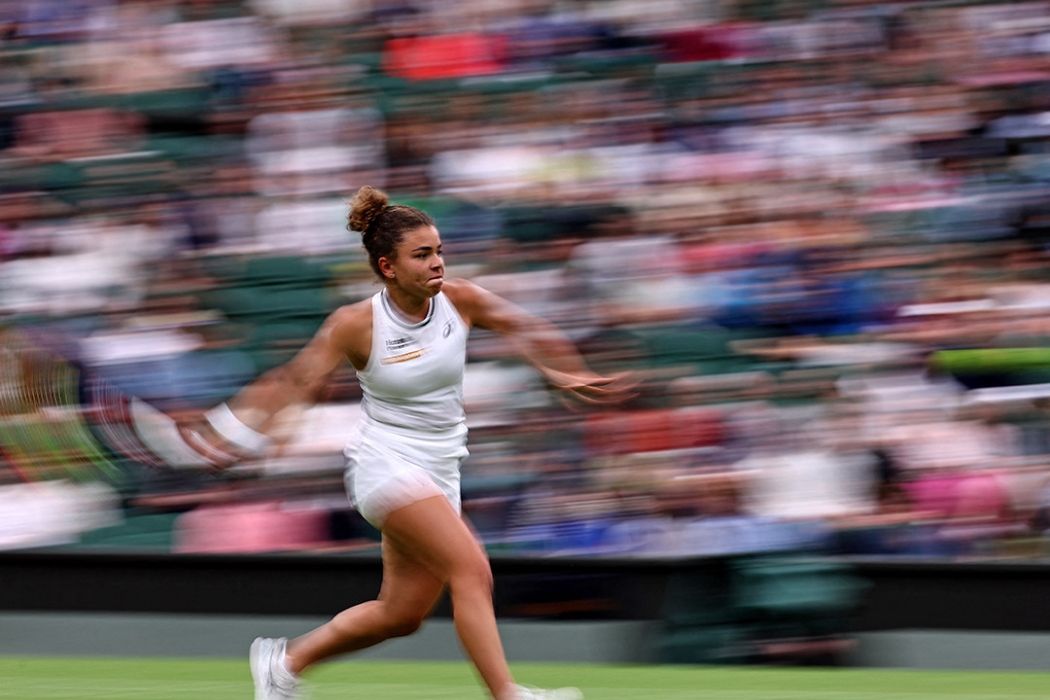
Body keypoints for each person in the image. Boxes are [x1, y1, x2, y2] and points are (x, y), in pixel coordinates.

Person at [187, 186, 633, 700]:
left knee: (401, 615)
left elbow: (523, 325)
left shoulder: (459, 299)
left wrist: (562, 370)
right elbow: (295, 382)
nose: (437, 263)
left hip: (442, 467)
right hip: (385, 464)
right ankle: (508, 694)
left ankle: (285, 663)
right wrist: (244, 435)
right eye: (422, 255)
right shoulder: (353, 324)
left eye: (439, 250)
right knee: (471, 570)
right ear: (388, 266)